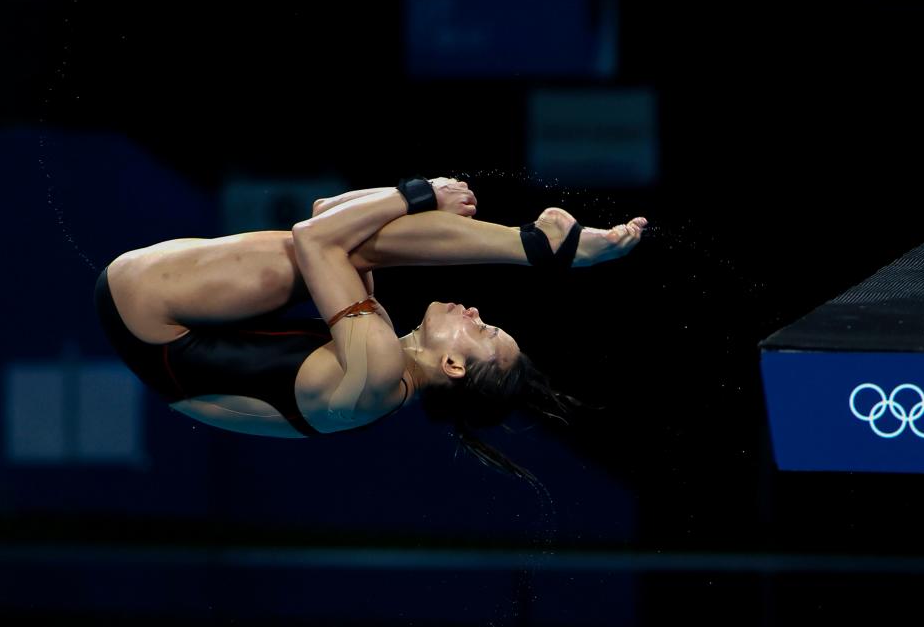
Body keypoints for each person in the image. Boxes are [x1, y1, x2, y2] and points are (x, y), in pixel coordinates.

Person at [94, 176, 647, 481]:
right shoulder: (384, 361)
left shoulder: (378, 371)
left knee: (310, 251)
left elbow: (314, 235)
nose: (477, 315)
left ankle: (536, 249)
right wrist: (406, 202)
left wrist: (418, 193)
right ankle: (536, 247)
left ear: (453, 367)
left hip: (148, 314)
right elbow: (329, 208)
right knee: (349, 245)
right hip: (160, 330)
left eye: (485, 333)